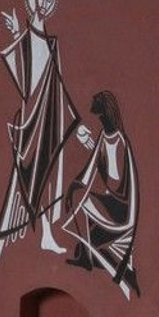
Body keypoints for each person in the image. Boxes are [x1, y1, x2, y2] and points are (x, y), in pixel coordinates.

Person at [0, 0, 82, 273]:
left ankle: (47, 236)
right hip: (29, 124)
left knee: (46, 179)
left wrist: (77, 127)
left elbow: (58, 86)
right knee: (19, 184)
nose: (45, 1)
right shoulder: (27, 38)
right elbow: (25, 82)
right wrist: (17, 33)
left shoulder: (52, 45)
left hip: (48, 123)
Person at [62, 91, 140, 299]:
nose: (92, 104)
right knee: (79, 196)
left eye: (95, 102)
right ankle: (87, 255)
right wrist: (74, 186)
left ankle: (87, 257)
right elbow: (89, 170)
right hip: (109, 199)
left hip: (120, 207)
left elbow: (119, 182)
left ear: (104, 108)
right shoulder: (104, 136)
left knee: (82, 199)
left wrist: (88, 188)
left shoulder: (120, 140)